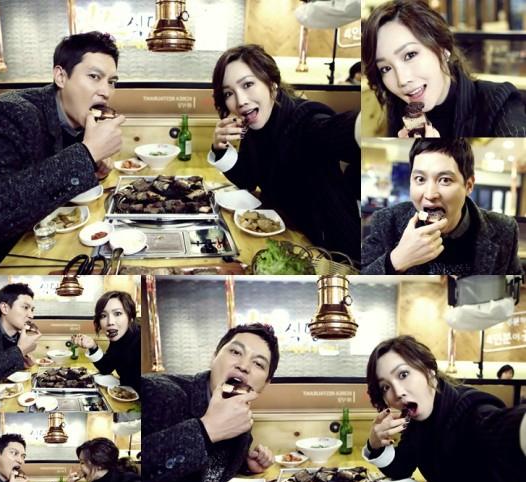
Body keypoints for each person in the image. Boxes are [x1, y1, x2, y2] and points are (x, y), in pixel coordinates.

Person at [0, 31, 125, 273]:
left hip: (49, 246)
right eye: (94, 76)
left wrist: (94, 168)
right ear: (61, 76)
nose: (106, 92)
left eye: (111, 81)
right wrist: (86, 154)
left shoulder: (79, 120)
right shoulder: (10, 113)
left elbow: (51, 183)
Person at [208, 44, 361, 263]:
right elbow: (247, 179)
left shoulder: (304, 119)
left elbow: (334, 131)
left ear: (272, 83)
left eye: (248, 84)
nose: (240, 101)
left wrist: (366, 126)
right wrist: (219, 147)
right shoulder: (255, 126)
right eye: (229, 93)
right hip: (286, 239)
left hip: (330, 251)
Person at [363, 335, 526, 482]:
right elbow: (401, 468)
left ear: (430, 371)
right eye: (385, 387)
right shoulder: (417, 421)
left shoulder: (473, 412)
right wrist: (374, 444)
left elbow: (504, 428)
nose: (397, 392)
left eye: (403, 374)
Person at [141, 323, 279, 482]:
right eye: (235, 352)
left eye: (258, 364)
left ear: (265, 384)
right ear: (214, 357)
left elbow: (213, 468)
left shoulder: (238, 412)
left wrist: (246, 466)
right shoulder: (156, 392)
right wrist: (206, 430)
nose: (244, 366)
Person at [362, 0, 526, 137]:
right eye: (385, 68)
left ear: (442, 49)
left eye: (410, 55)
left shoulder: (500, 103)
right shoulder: (398, 106)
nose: (402, 80)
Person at [361, 138, 521, 275]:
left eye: (445, 180)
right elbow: (357, 283)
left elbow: (515, 289)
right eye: (420, 179)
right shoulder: (386, 222)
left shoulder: (505, 230)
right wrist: (396, 260)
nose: (430, 194)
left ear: (468, 185)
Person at [0, 283, 40, 408]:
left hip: (1, 403)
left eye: (32, 310)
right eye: (25, 307)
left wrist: (22, 364)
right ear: (5, 308)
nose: (31, 315)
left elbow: (2, 369)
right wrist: (19, 351)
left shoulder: (18, 336)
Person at [71, 291, 140, 392]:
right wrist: (93, 346)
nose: (110, 322)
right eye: (103, 316)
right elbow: (106, 368)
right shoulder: (119, 338)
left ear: (131, 317)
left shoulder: (141, 341)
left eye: (117, 314)